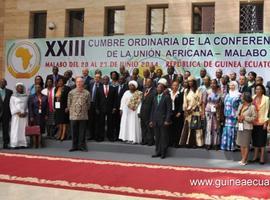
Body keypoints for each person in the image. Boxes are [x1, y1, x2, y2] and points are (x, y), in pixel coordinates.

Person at [150, 78, 172, 159]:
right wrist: (151, 120)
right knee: (157, 137)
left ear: (163, 89)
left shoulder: (166, 97)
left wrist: (167, 120)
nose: (158, 89)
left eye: (160, 87)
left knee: (163, 137)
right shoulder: (155, 97)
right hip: (155, 121)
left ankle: (163, 153)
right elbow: (152, 110)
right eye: (158, 87)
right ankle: (157, 152)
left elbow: (169, 110)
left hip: (163, 121)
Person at [179, 76, 204, 148]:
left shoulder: (198, 91)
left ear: (194, 82)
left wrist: (193, 108)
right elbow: (184, 102)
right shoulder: (186, 91)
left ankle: (198, 144)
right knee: (189, 127)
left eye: (191, 81)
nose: (190, 83)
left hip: (196, 111)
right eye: (188, 82)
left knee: (197, 128)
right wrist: (186, 109)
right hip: (188, 112)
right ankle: (189, 143)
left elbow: (200, 102)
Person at [67, 77, 91, 152]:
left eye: (81, 82)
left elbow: (88, 104)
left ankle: (82, 146)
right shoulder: (71, 92)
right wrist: (72, 111)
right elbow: (69, 103)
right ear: (76, 83)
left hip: (83, 116)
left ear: (83, 83)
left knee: (82, 132)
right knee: (74, 132)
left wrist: (83, 110)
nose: (79, 83)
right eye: (78, 82)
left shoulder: (87, 92)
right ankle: (74, 146)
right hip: (73, 116)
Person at [236, 92, 257, 165]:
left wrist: (245, 118)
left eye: (242, 97)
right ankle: (243, 159)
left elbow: (254, 118)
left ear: (245, 98)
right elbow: (237, 114)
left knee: (246, 144)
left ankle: (244, 160)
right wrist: (238, 117)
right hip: (240, 126)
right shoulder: (240, 105)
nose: (241, 98)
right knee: (241, 144)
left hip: (247, 127)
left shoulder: (252, 107)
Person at [251, 84, 269, 164]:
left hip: (262, 122)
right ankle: (255, 157)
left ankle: (262, 157)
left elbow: (268, 111)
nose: (257, 90)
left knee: (262, 141)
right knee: (255, 140)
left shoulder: (266, 98)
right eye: (256, 89)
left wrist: (266, 122)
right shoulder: (253, 97)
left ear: (262, 90)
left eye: (259, 89)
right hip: (254, 122)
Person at [221, 81, 241, 151]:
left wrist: (238, 115)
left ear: (236, 86)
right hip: (227, 117)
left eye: (233, 85)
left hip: (234, 117)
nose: (231, 87)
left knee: (234, 131)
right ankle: (227, 146)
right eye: (230, 85)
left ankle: (233, 146)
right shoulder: (227, 95)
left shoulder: (239, 95)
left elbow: (240, 106)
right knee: (228, 130)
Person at [96, 76, 117, 141]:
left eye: (107, 79)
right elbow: (96, 99)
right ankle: (101, 137)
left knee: (110, 123)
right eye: (104, 79)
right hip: (101, 108)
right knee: (101, 123)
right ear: (102, 80)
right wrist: (97, 108)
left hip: (110, 109)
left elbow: (115, 99)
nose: (105, 80)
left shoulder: (113, 88)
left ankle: (110, 136)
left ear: (109, 80)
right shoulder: (99, 88)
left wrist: (114, 107)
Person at [205, 79, 223, 150]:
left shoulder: (220, 92)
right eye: (211, 83)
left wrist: (218, 105)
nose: (213, 85)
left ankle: (216, 143)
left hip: (217, 111)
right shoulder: (207, 91)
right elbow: (203, 102)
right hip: (208, 111)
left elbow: (222, 102)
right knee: (209, 127)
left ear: (216, 84)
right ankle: (208, 143)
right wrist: (203, 113)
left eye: (214, 83)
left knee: (216, 128)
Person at [9, 83, 28, 148]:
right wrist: (17, 113)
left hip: (24, 115)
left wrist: (26, 112)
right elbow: (12, 105)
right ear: (16, 88)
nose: (20, 88)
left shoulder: (26, 96)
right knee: (15, 129)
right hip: (16, 116)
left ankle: (22, 143)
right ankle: (14, 144)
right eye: (19, 87)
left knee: (22, 129)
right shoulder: (13, 96)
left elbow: (27, 105)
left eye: (21, 87)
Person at [139, 78, 156, 146]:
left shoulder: (154, 91)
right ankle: (144, 140)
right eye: (146, 82)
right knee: (143, 127)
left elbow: (154, 104)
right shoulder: (144, 90)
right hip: (143, 112)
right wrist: (140, 112)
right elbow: (142, 102)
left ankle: (150, 141)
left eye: (149, 82)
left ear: (152, 83)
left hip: (149, 112)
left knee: (149, 128)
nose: (147, 83)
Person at [87, 73, 102, 140]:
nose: (97, 79)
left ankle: (97, 136)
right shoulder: (91, 85)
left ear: (100, 78)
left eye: (98, 77)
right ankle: (91, 135)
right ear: (94, 78)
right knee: (91, 121)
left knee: (97, 121)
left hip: (98, 106)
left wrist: (98, 107)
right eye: (95, 77)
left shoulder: (102, 86)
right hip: (91, 104)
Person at [169, 80, 184, 148]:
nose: (175, 87)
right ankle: (170, 142)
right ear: (171, 86)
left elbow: (182, 104)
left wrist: (180, 112)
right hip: (170, 113)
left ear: (178, 86)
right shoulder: (169, 93)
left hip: (177, 113)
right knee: (170, 128)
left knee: (177, 129)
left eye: (176, 85)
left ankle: (176, 142)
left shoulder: (180, 94)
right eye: (173, 85)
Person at [0, 79, 13, 149]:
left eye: (4, 82)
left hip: (6, 113)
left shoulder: (10, 92)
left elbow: (12, 103)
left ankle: (6, 144)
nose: (2, 83)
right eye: (1, 82)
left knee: (6, 129)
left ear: (6, 83)